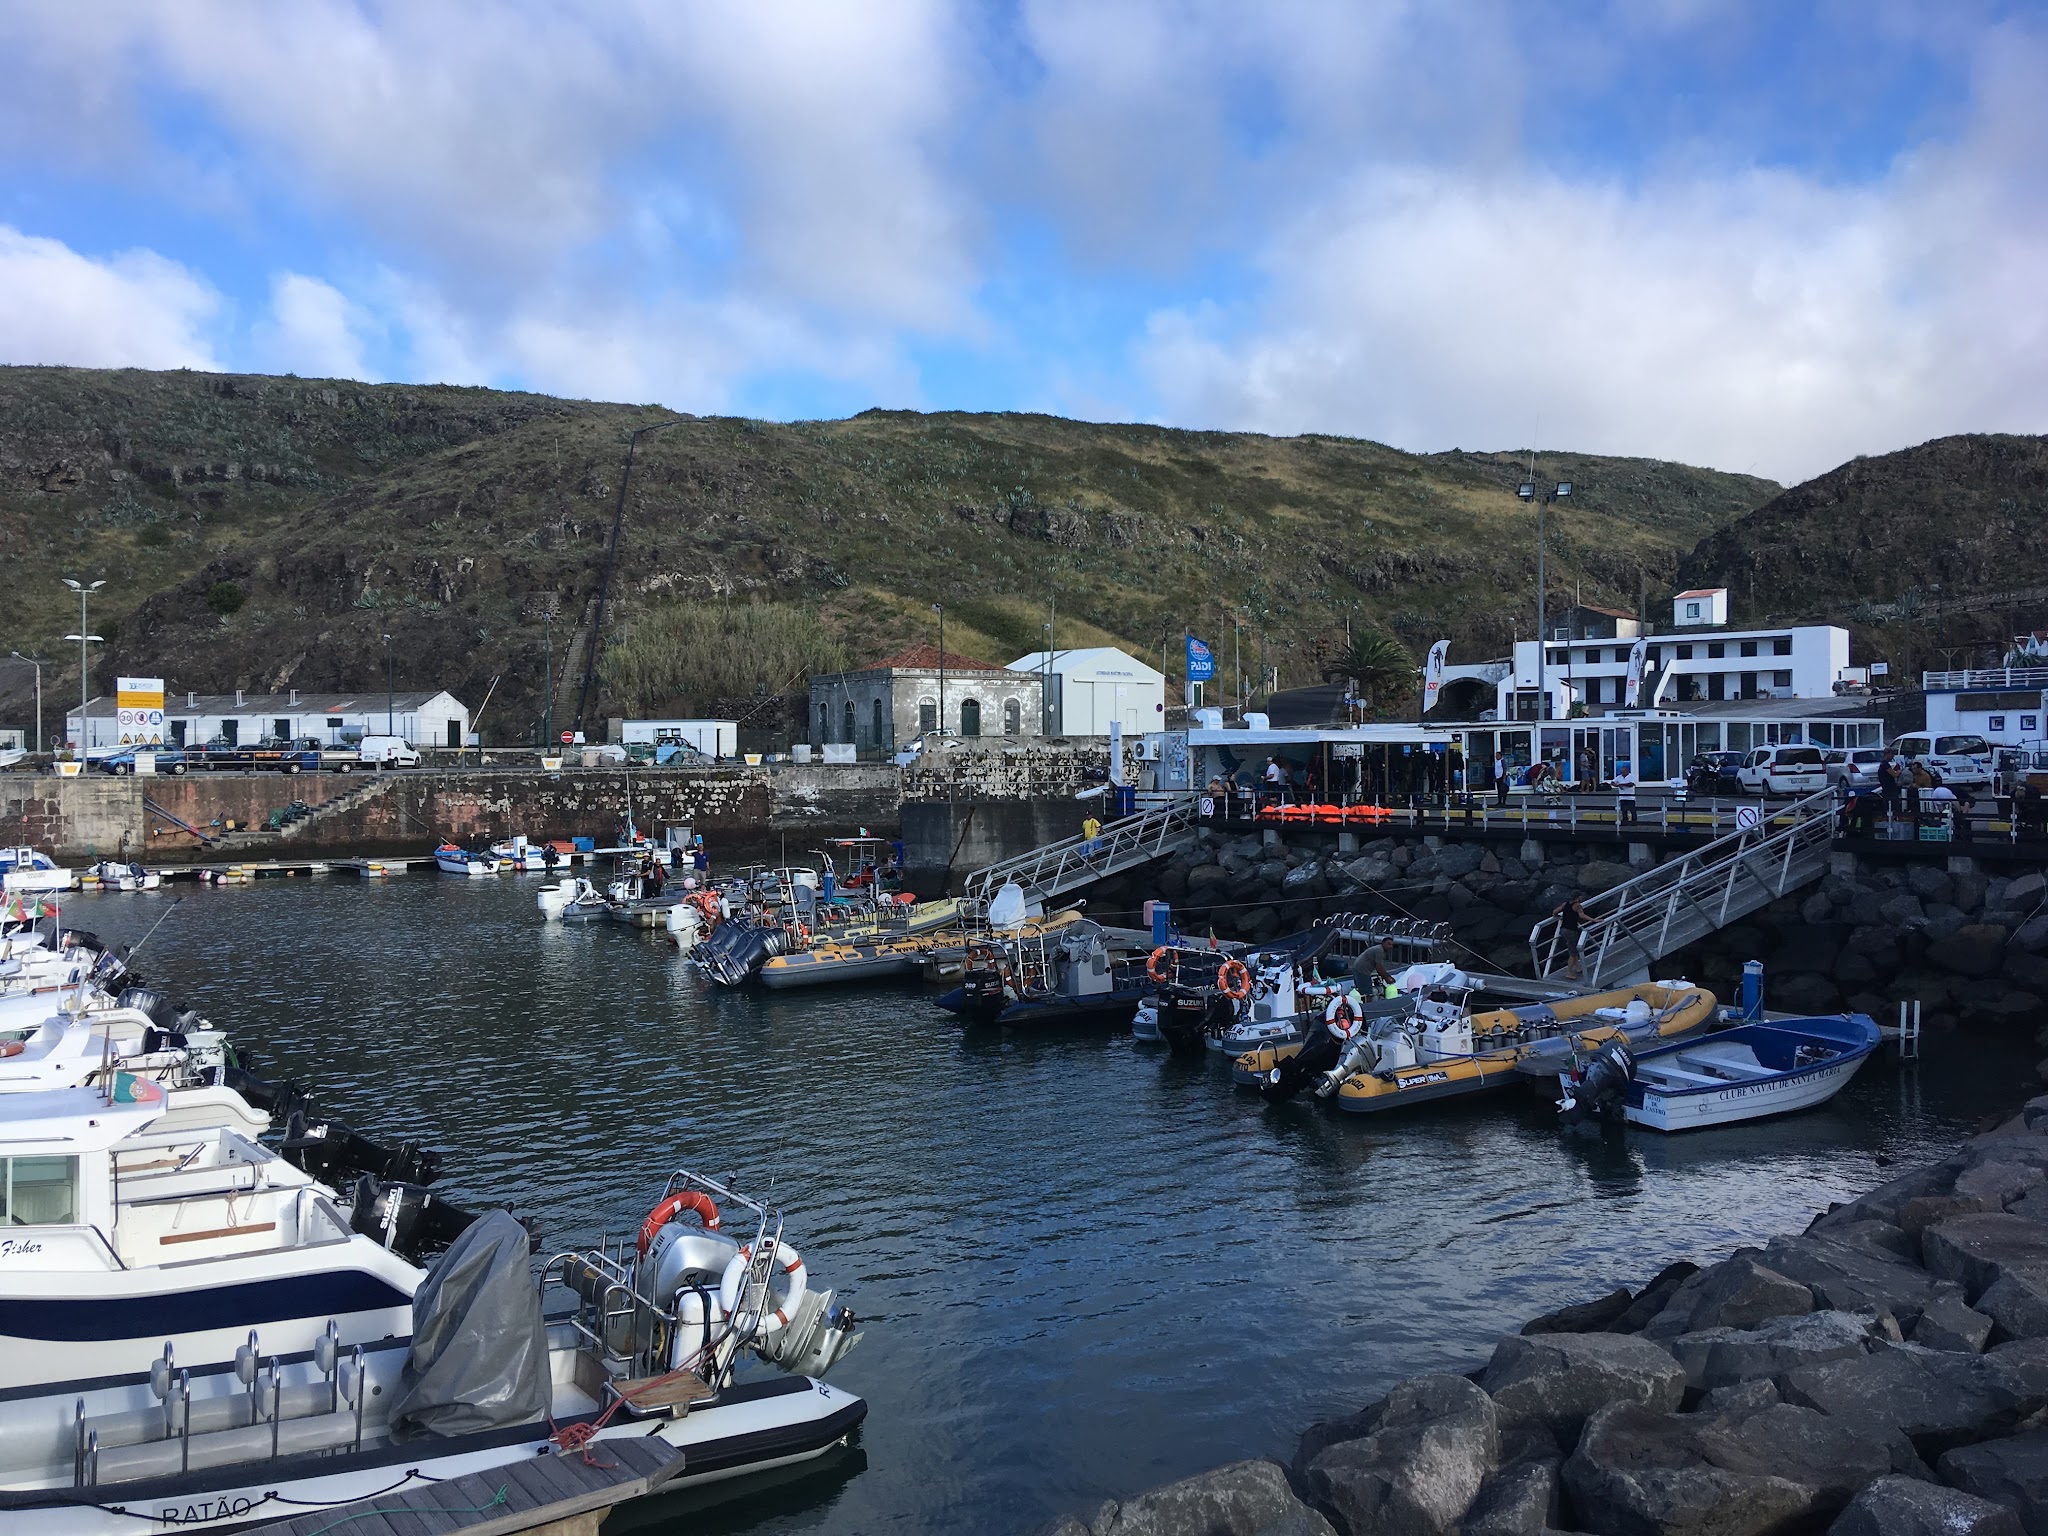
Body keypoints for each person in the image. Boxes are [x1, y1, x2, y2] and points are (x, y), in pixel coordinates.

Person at [1553, 895, 1591, 981]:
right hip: (1571, 931)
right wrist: (1594, 920)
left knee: (1572, 948)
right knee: (1573, 952)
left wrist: (1556, 915)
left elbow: (1555, 911)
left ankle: (1577, 967)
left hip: (1563, 930)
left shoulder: (1565, 904)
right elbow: (1582, 915)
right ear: (1577, 897)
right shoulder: (1577, 906)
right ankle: (1568, 972)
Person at [1614, 759, 1637, 825]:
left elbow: (1631, 784)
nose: (1622, 774)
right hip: (1622, 797)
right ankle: (1625, 821)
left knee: (1632, 810)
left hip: (1630, 797)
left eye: (1623, 772)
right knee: (1623, 810)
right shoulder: (1619, 777)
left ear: (1627, 771)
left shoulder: (1632, 776)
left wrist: (1621, 785)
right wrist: (1616, 785)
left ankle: (1634, 822)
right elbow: (1613, 782)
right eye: (1621, 772)